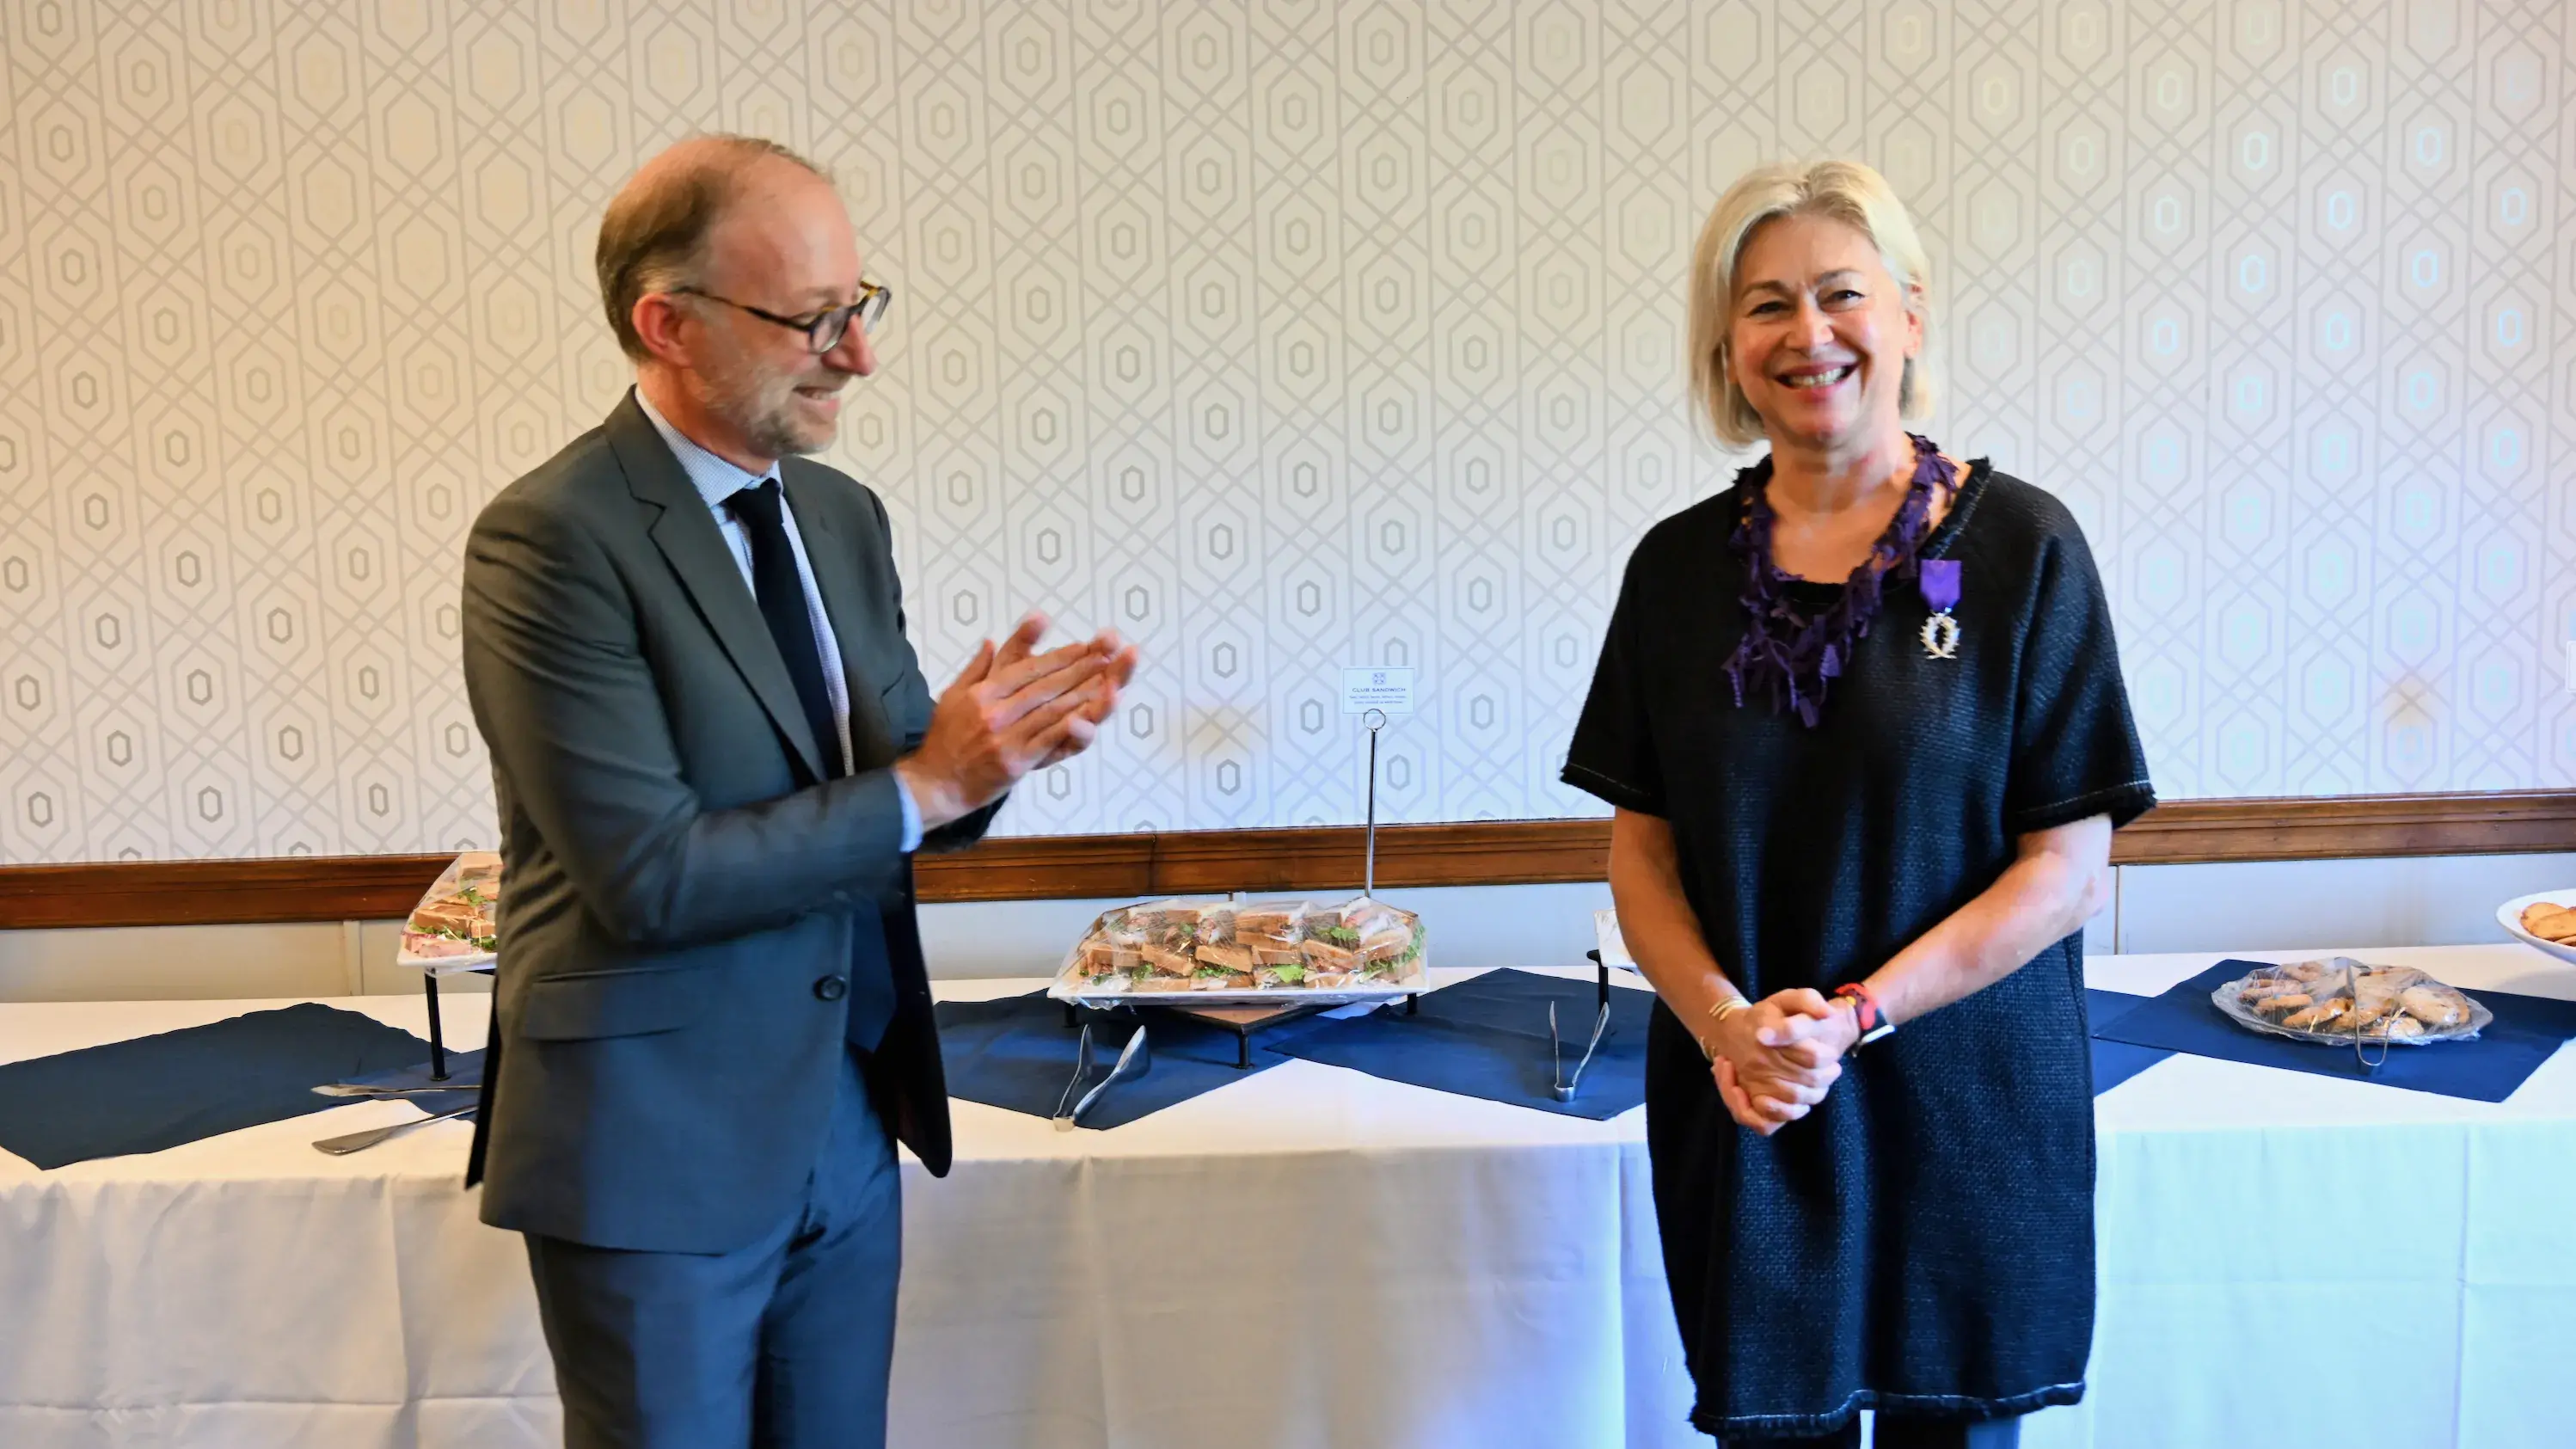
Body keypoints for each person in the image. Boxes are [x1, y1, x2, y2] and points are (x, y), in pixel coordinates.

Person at [458, 134, 1139, 1449]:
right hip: (651, 1146)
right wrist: (932, 780)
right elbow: (648, 875)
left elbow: (896, 802)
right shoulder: (549, 539)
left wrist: (991, 755)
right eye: (814, 321)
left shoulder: (841, 517)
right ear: (667, 324)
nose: (860, 355)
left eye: (860, 307)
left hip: (843, 1113)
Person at [1561, 159, 2154, 1448]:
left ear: (1910, 315)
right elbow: (1641, 858)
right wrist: (1729, 1027)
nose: (1807, 332)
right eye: (1766, 303)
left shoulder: (2023, 553)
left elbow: (2066, 867)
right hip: (1755, 1095)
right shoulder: (1672, 574)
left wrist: (1861, 1016)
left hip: (1969, 1097)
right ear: (1726, 345)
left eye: (1841, 292)